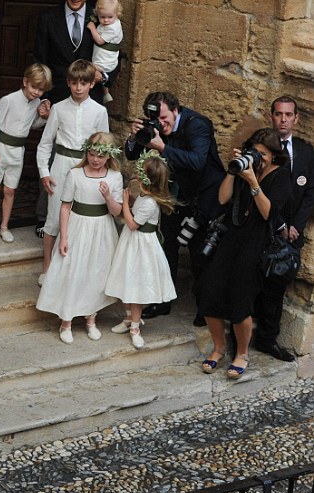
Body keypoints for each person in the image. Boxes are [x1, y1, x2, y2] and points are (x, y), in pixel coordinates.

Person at [197, 128, 292, 380]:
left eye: (263, 154)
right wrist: (234, 170)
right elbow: (223, 198)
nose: (258, 158)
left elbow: (268, 214)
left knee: (241, 300)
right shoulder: (243, 168)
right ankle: (218, 349)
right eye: (255, 152)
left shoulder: (280, 177)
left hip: (256, 243)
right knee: (210, 290)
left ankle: (242, 353)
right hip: (230, 238)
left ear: (273, 156)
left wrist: (253, 181)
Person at [124, 90, 226, 322]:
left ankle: (205, 308)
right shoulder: (156, 125)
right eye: (156, 120)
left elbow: (198, 161)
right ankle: (163, 301)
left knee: (200, 254)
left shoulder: (197, 124)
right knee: (167, 246)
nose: (160, 124)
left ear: (175, 110)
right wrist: (134, 137)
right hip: (176, 195)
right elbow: (131, 155)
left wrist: (163, 148)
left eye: (164, 119)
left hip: (205, 195)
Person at [36, 132, 123, 343]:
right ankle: (66, 321)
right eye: (92, 154)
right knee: (73, 271)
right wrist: (63, 237)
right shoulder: (75, 174)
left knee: (96, 273)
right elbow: (65, 206)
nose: (95, 159)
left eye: (100, 156)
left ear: (109, 157)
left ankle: (91, 318)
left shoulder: (114, 177)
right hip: (77, 227)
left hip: (101, 229)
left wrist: (108, 196)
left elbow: (116, 211)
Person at [32, 0, 102, 237]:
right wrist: (45, 99)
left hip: (90, 97)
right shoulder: (48, 18)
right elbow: (40, 58)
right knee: (52, 155)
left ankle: (81, 219)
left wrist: (103, 79)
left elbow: (111, 52)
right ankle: (45, 218)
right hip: (58, 97)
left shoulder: (100, 16)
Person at [36, 59, 109, 283]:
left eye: (83, 83)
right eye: (75, 83)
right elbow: (45, 143)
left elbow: (104, 145)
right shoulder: (58, 108)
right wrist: (44, 172)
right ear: (68, 83)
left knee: (80, 217)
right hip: (61, 164)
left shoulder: (99, 111)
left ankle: (73, 267)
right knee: (54, 216)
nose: (78, 88)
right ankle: (47, 267)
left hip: (86, 167)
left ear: (91, 85)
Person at [253, 96, 314, 361]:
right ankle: (240, 338)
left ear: (296, 118)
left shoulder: (305, 152)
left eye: (289, 114)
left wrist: (294, 227)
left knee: (276, 289)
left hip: (289, 236)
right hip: (259, 227)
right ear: (271, 116)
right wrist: (277, 224)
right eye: (279, 114)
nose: (284, 119)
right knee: (249, 282)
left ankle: (267, 339)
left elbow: (310, 192)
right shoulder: (260, 147)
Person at [105, 151, 177, 349]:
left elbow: (132, 224)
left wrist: (126, 203)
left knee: (136, 286)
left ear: (145, 179)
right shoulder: (145, 196)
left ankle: (135, 327)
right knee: (126, 280)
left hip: (141, 247)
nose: (135, 176)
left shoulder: (150, 202)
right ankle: (129, 319)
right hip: (131, 244)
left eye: (138, 173)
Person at [0, 63, 52, 243]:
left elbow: (31, 125)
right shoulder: (8, 100)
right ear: (25, 81)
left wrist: (43, 118)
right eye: (34, 87)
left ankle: (4, 226)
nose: (36, 92)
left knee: (10, 190)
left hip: (17, 152)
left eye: (41, 90)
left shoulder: (36, 103)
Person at [85, 0, 123, 105]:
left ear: (117, 14)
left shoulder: (113, 28)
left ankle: (105, 93)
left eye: (109, 17)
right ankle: (106, 93)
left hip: (106, 61)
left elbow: (100, 41)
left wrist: (92, 27)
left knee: (90, 67)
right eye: (102, 17)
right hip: (102, 57)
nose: (106, 20)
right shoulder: (110, 23)